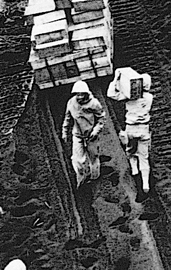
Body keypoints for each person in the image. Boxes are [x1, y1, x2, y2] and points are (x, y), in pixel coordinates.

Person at [108, 70, 154, 200]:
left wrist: (116, 79)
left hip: (131, 129)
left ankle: (134, 168)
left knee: (130, 149)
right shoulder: (150, 98)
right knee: (144, 157)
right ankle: (145, 183)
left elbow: (111, 94)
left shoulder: (129, 97)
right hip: (144, 129)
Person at [62, 80, 106, 188]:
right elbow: (67, 118)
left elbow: (101, 118)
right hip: (78, 135)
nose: (80, 97)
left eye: (82, 94)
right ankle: (80, 178)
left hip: (91, 135)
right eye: (78, 94)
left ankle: (95, 178)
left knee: (93, 157)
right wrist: (64, 132)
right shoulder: (71, 103)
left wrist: (95, 131)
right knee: (77, 159)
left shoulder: (94, 103)